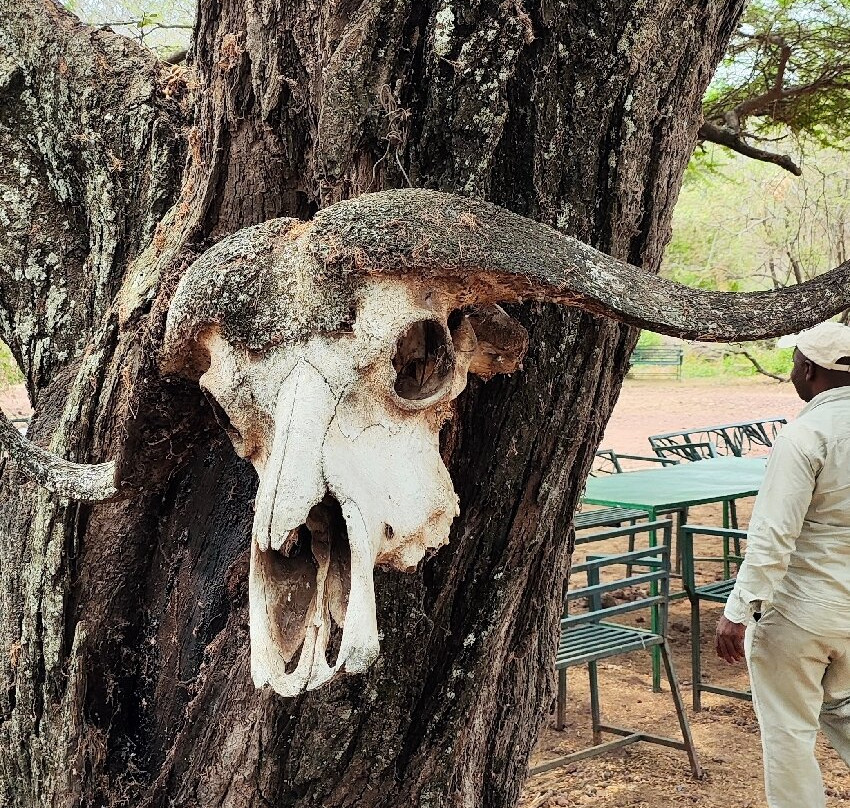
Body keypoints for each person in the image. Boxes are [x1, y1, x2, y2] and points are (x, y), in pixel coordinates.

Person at [715, 320, 850, 808]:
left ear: (810, 369)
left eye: (794, 363)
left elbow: (773, 536)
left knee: (789, 733)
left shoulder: (805, 435)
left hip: (801, 612)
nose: (793, 372)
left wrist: (739, 610)